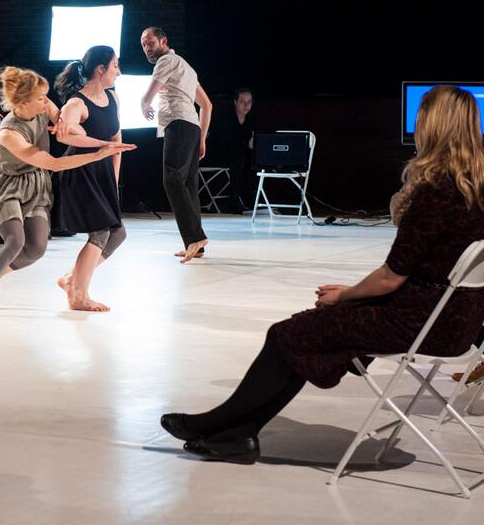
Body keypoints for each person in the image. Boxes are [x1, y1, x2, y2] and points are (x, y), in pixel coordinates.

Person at [160, 85, 484, 464]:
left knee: (286, 334)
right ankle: (237, 433)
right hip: (456, 324)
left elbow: (392, 276)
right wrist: (355, 297)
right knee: (305, 332)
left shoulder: (436, 193)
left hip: (418, 322)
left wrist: (346, 295)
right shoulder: (475, 189)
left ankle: (224, 425)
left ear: (434, 126)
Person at [0, 66, 135, 318]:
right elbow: (53, 163)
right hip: (6, 187)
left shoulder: (41, 106)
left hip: (35, 186)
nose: (46, 102)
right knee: (16, 241)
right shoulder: (9, 133)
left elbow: (71, 126)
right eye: (40, 98)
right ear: (23, 101)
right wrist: (99, 152)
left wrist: (68, 127)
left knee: (36, 249)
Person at [52, 46, 126, 312]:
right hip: (80, 171)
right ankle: (78, 296)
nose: (118, 72)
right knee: (101, 231)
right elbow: (66, 133)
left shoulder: (113, 98)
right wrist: (70, 128)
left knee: (117, 233)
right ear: (100, 69)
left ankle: (71, 279)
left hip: (102, 173)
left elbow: (116, 141)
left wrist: (113, 181)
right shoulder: (77, 103)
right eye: (115, 66)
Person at [140, 28, 212, 262]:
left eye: (150, 42)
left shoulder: (166, 60)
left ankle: (195, 238)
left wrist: (144, 103)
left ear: (164, 41)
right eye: (144, 45)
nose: (147, 48)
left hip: (179, 124)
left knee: (172, 179)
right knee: (188, 185)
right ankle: (195, 244)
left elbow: (150, 93)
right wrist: (202, 137)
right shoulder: (186, 67)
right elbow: (207, 105)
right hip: (191, 128)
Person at [208, 88, 256, 213]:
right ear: (235, 102)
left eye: (249, 102)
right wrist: (247, 145)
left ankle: (253, 199)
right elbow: (224, 143)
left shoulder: (251, 120)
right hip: (219, 155)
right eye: (242, 102)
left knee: (252, 160)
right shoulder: (225, 119)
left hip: (241, 156)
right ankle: (233, 197)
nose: (246, 105)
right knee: (239, 159)